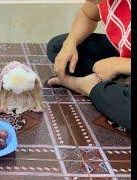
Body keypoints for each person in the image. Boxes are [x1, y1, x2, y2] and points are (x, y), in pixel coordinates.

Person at [46, 0, 131, 132]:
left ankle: (88, 86)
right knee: (57, 48)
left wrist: (118, 65)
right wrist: (71, 42)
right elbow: (88, 14)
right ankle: (117, 86)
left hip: (124, 62)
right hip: (124, 54)